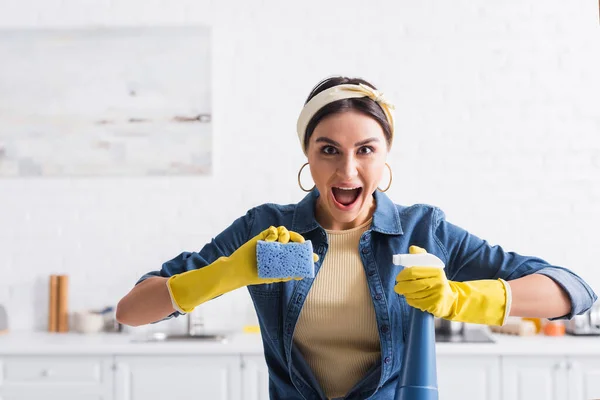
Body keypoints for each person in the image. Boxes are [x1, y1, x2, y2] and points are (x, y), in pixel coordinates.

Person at [116, 76, 598, 400]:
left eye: (365, 150)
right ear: (307, 154)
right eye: (329, 150)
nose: (347, 170)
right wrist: (229, 272)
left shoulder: (421, 230)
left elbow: (573, 290)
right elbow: (132, 311)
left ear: (385, 155)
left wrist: (460, 299)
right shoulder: (265, 230)